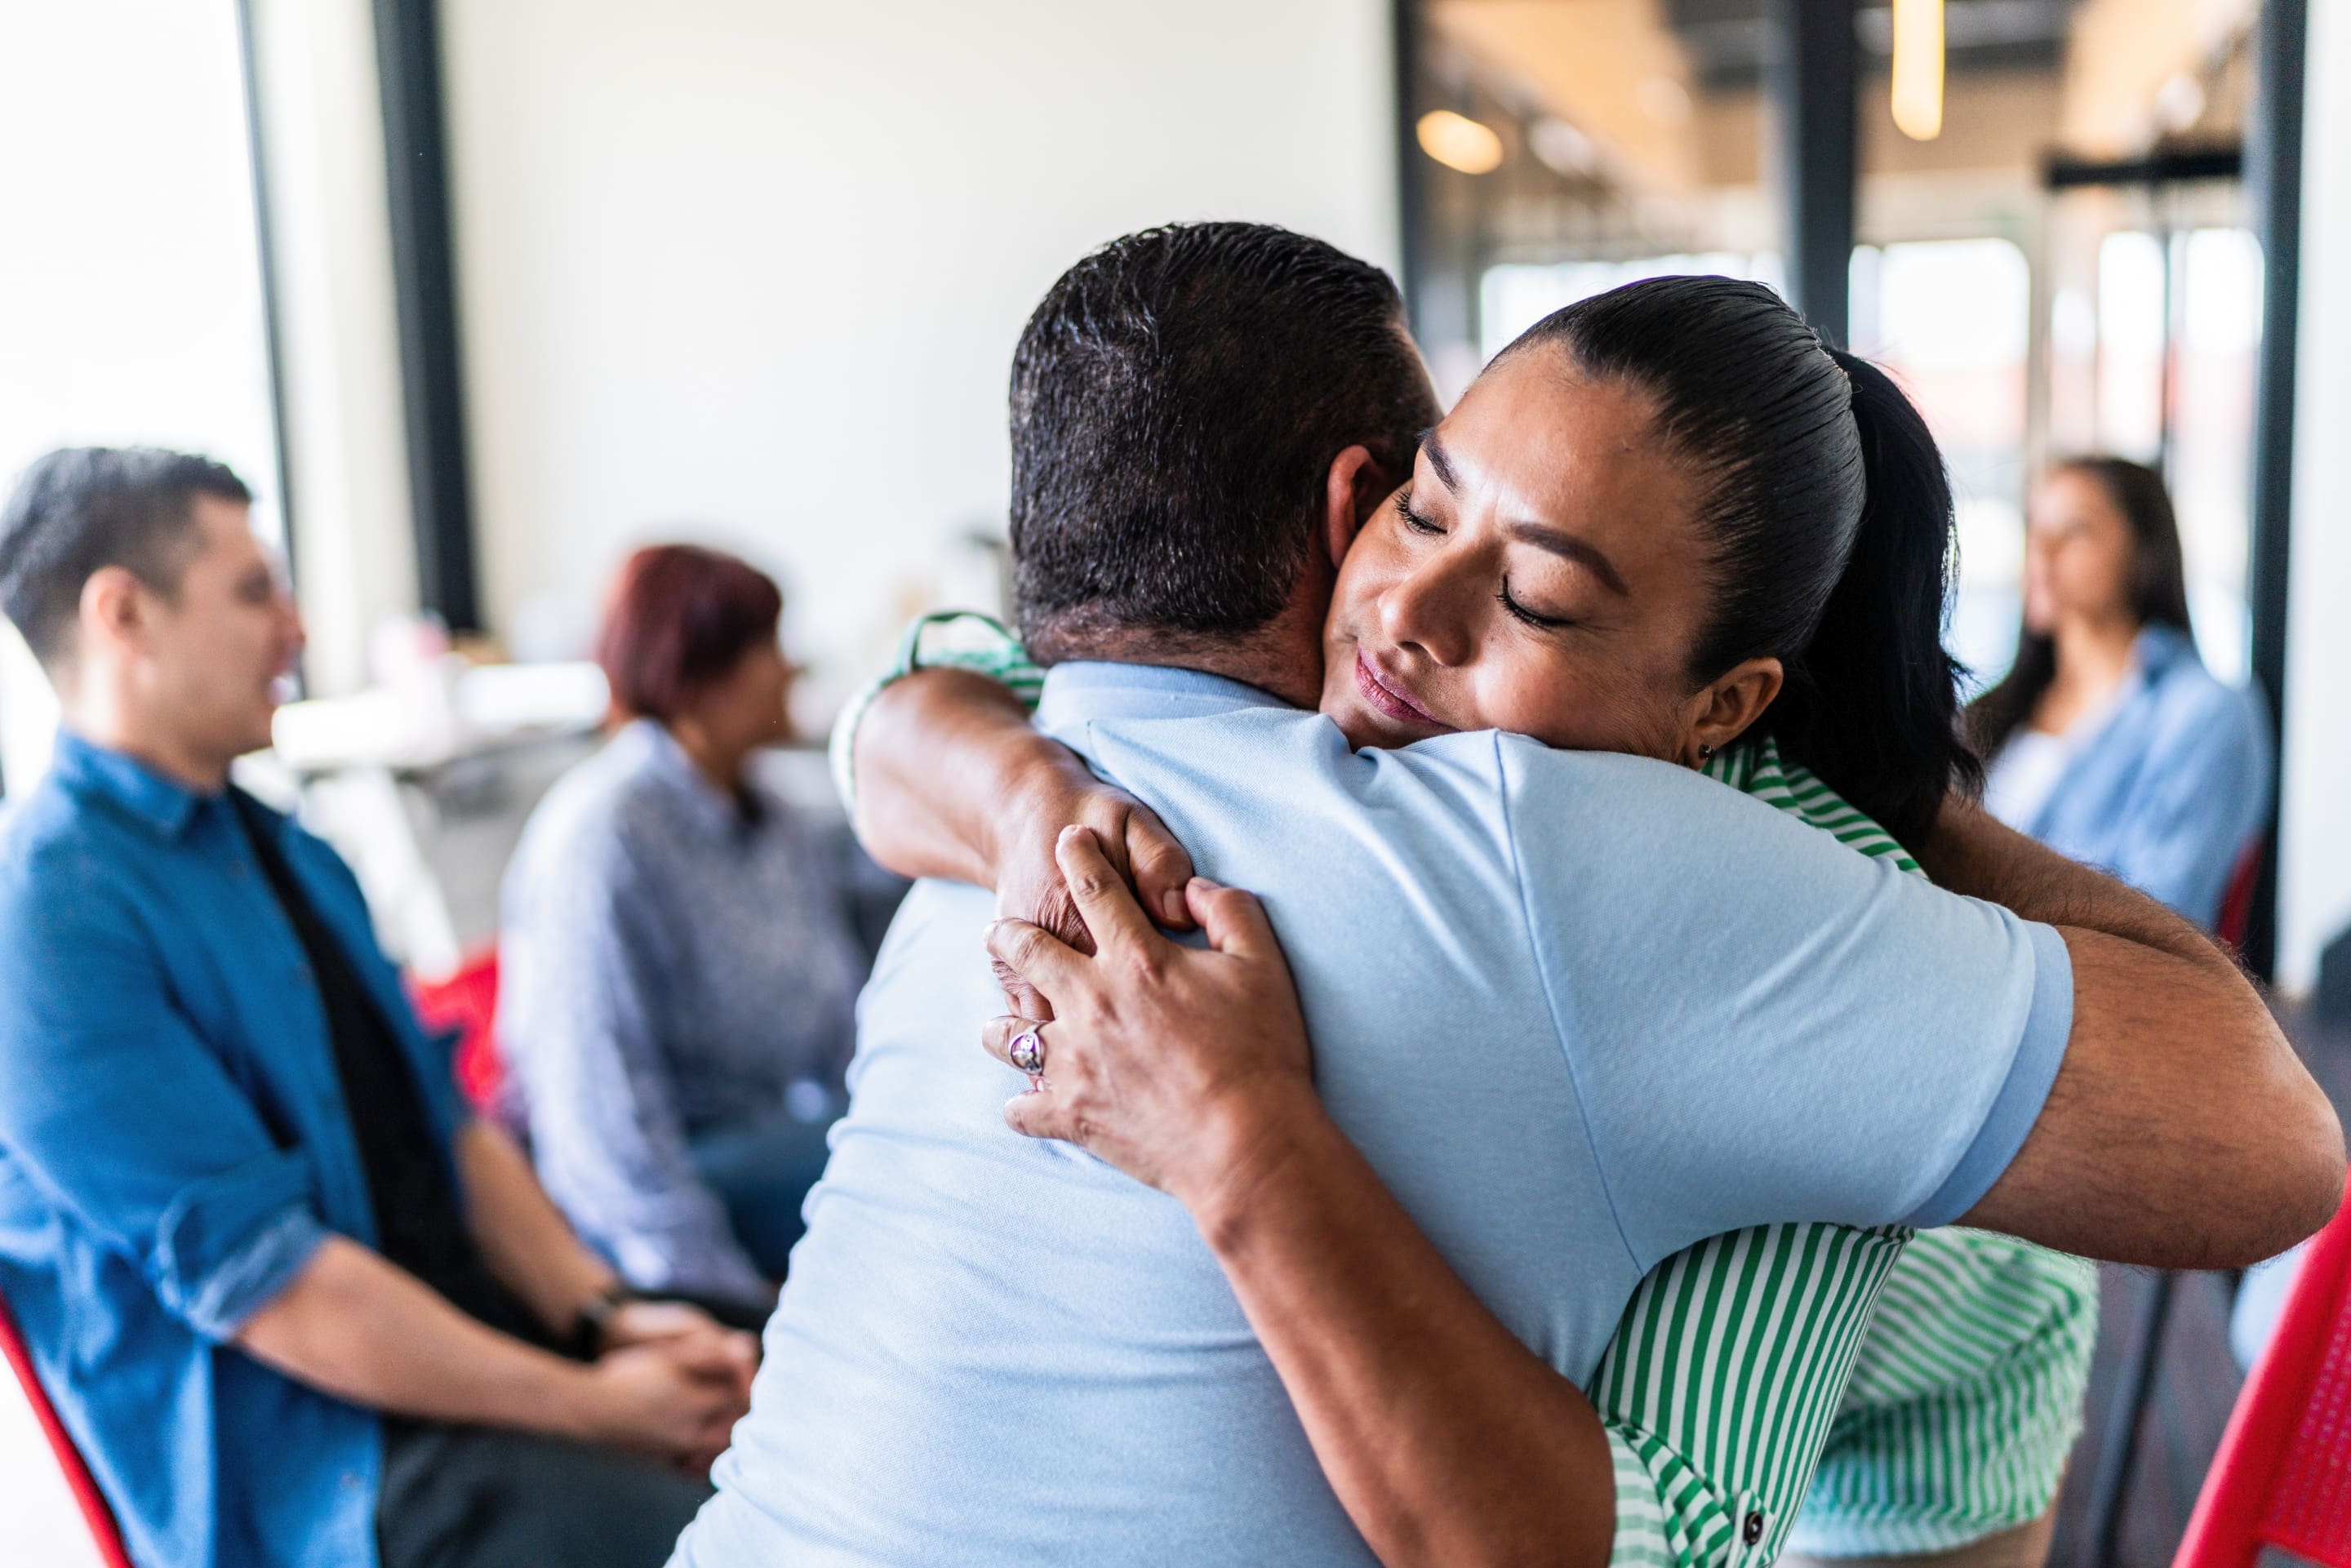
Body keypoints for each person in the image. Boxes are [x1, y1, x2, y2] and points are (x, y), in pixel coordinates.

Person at [669, 228, 2339, 1568]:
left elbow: (909, 704)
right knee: (2002, 1298)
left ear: (1725, 709)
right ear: (1356, 499)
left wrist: (1865, 797)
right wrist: (1018, 795)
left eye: (1536, 597)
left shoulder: (1066, 744)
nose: (1410, 615)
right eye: (1426, 506)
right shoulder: (1064, 770)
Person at [0, 449, 758, 1568]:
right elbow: (279, 1291)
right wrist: (598, 1405)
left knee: (814, 1403)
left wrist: (606, 1317)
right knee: (769, 1539)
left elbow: (453, 1131)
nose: (296, 629)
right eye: (254, 592)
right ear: (124, 615)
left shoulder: (294, 853)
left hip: (476, 1361)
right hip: (338, 1481)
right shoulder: (46, 920)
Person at [498, 544, 869, 1315]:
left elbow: (842, 1037)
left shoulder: (779, 818)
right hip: (657, 1206)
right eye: (766, 646)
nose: (789, 668)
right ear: (696, 669)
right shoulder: (602, 836)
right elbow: (601, 1128)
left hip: (771, 1144)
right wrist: (725, 1301)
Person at [1970, 456, 2272, 931]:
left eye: (2075, 530)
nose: (2043, 551)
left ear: (2143, 553)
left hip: (2071, 974)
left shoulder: (2206, 713)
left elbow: (2160, 919)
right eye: (2035, 529)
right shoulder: (1994, 709)